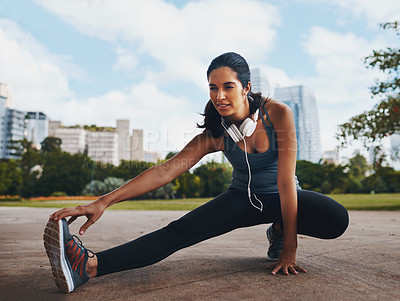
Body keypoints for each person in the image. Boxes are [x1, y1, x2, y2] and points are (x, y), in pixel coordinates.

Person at [44, 52, 349, 293]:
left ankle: (279, 231)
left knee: (337, 219)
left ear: (246, 87)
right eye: (213, 88)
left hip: (283, 196)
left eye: (228, 86)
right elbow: (165, 171)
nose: (220, 96)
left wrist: (290, 247)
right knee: (178, 231)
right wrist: (103, 201)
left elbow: (285, 183)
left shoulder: (278, 113)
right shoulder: (217, 132)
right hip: (242, 198)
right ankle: (89, 265)